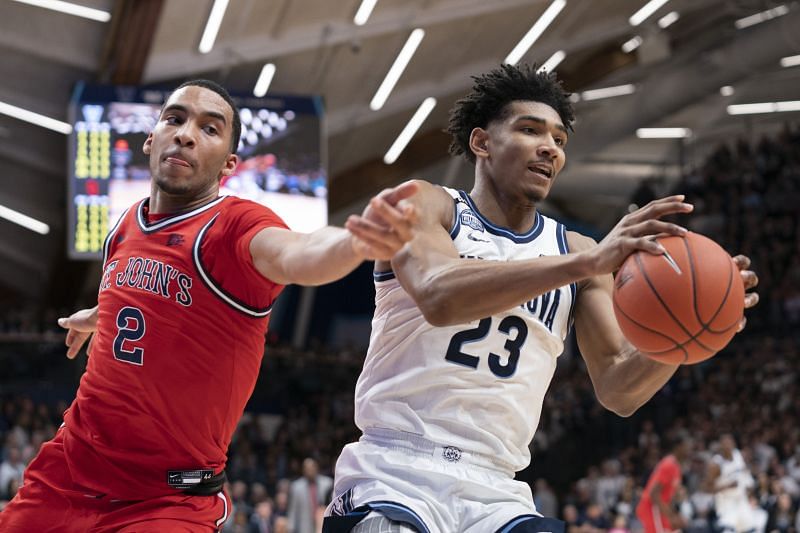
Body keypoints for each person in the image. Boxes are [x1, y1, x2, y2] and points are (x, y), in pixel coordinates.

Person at [325, 63, 760, 533]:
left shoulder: (576, 250)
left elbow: (618, 387)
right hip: (395, 471)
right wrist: (586, 266)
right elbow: (438, 295)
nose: (549, 147)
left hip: (495, 489)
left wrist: (685, 337)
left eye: (558, 139)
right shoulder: (427, 205)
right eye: (530, 130)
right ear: (482, 143)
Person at [0, 79, 417, 532]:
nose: (185, 133)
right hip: (68, 473)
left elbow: (299, 252)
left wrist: (354, 241)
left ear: (229, 165)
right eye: (175, 119)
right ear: (150, 138)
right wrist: (101, 312)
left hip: (165, 500)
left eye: (209, 128)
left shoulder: (233, 226)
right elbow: (145, 295)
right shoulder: (124, 224)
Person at [635, 435, 692, 533]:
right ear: (678, 447)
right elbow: (654, 494)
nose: (689, 450)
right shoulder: (668, 464)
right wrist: (671, 517)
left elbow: (667, 497)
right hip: (652, 508)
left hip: (660, 508)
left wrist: (675, 515)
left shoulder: (676, 466)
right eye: (687, 446)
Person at [708, 434, 756, 533]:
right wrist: (727, 486)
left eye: (730, 443)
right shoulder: (716, 463)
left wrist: (749, 484)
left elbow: (744, 472)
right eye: (725, 444)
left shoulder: (738, 455)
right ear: (720, 446)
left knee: (750, 529)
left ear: (734, 444)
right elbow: (707, 488)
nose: (728, 446)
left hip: (741, 501)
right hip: (725, 503)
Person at [287, 458, 333, 533]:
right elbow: (293, 510)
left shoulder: (327, 483)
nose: (309, 471)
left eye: (312, 467)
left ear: (316, 468)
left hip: (324, 524)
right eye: (307, 468)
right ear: (303, 470)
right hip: (304, 526)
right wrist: (291, 528)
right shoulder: (296, 487)